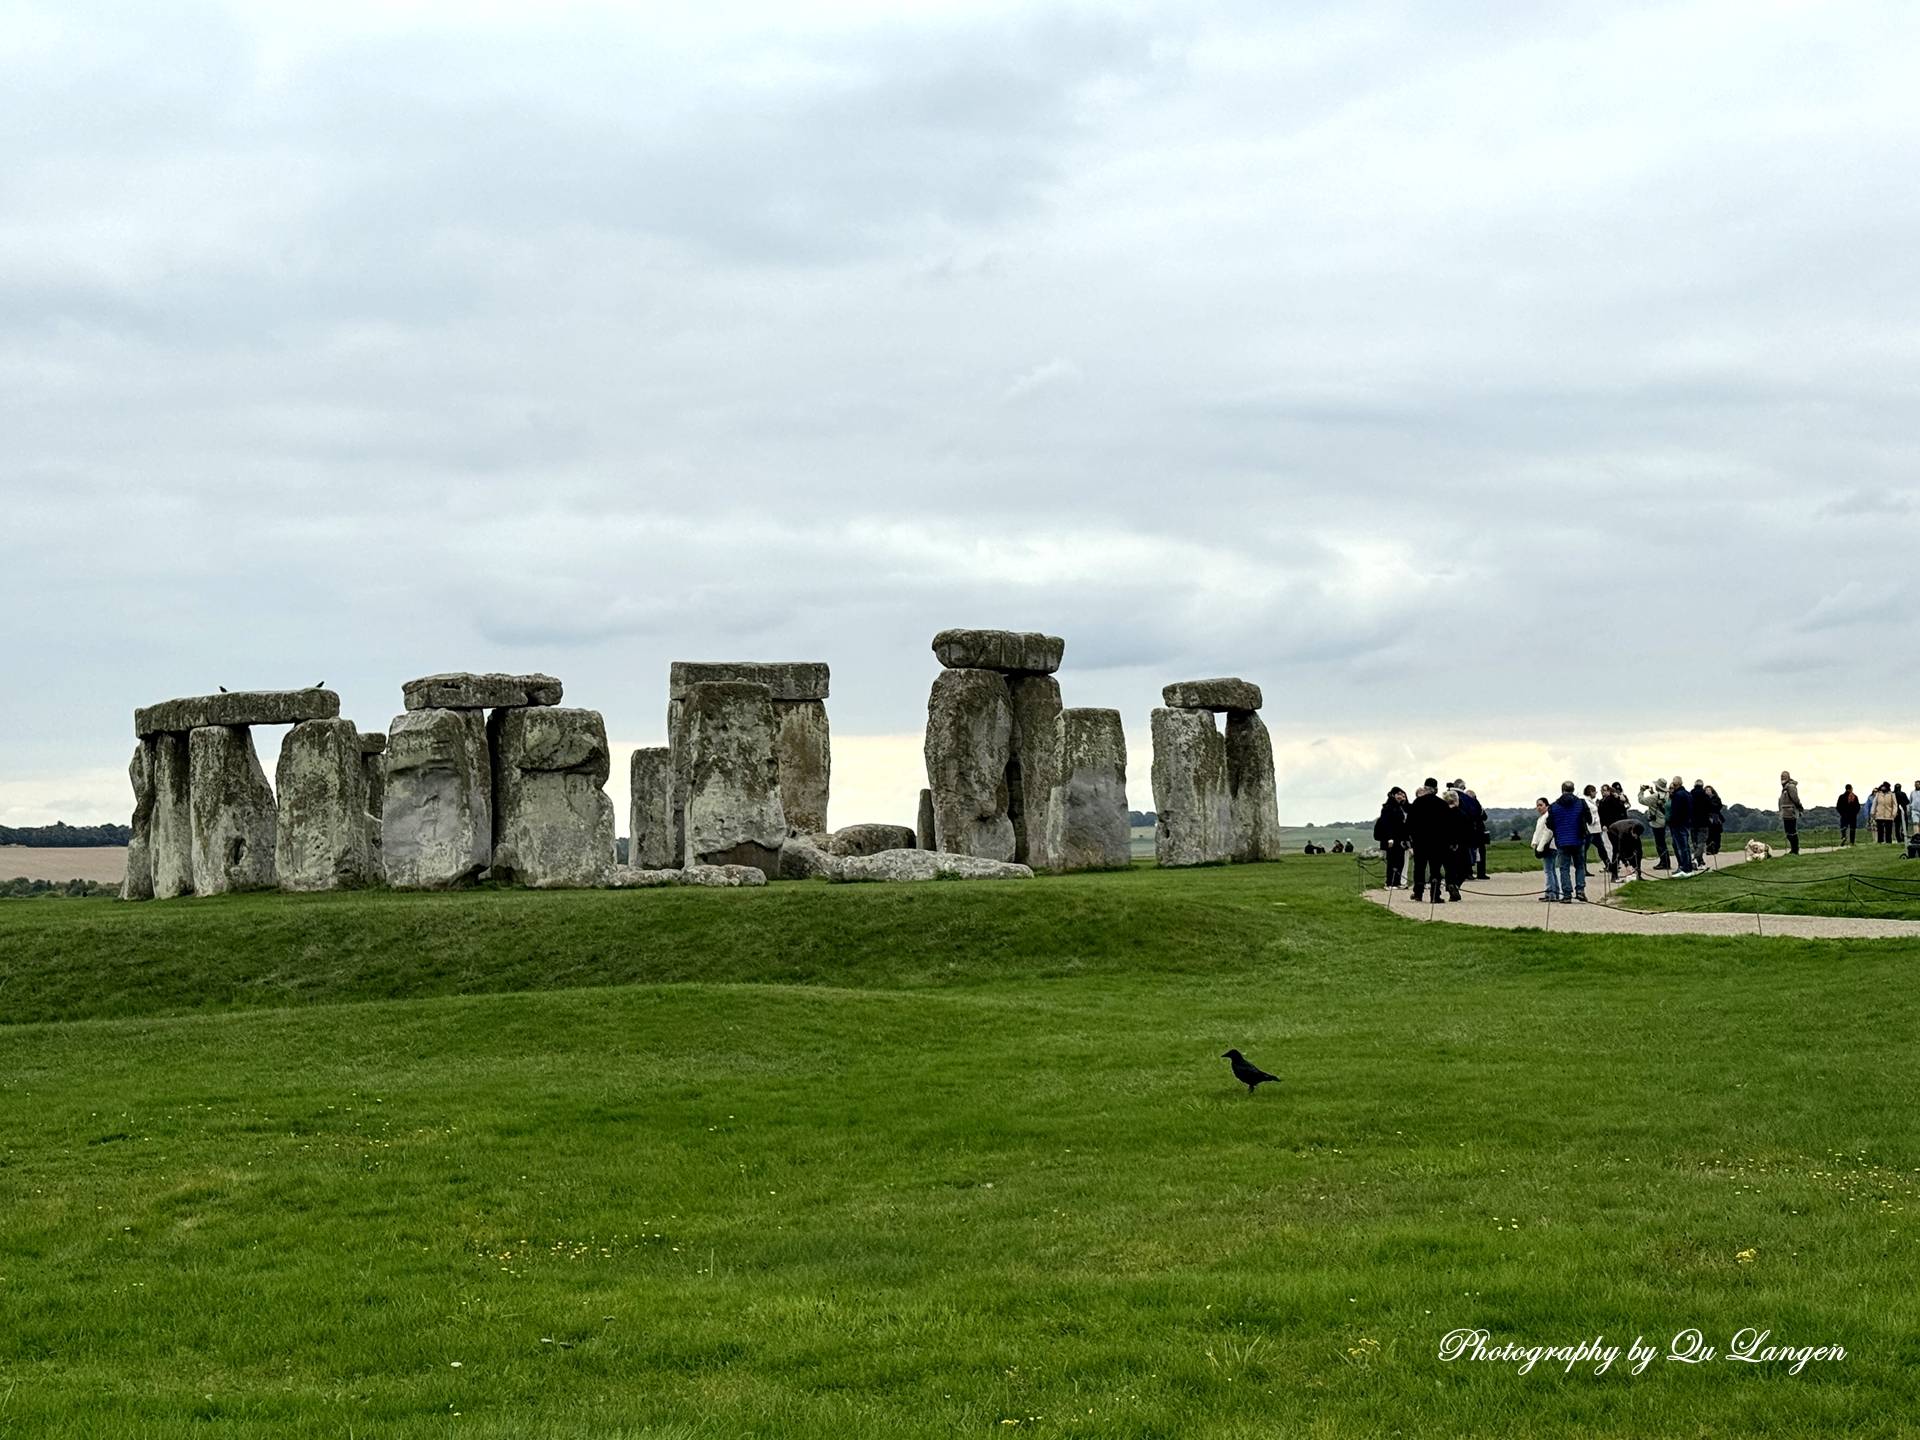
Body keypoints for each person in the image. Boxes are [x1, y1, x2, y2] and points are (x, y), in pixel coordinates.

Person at [1406, 779, 1449, 903]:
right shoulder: (1442, 804)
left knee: (1419, 868)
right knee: (1435, 869)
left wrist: (1411, 838)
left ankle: (1418, 893)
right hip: (1437, 842)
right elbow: (1447, 825)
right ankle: (1435, 895)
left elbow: (1409, 823)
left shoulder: (1417, 803)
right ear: (1436, 789)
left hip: (1420, 842)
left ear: (1425, 788)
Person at [1547, 781, 1590, 902]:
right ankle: (1580, 890)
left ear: (1562, 790)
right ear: (1573, 789)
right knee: (1580, 866)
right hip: (1578, 839)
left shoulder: (1554, 806)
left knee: (1564, 868)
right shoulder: (1581, 803)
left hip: (1562, 840)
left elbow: (1549, 823)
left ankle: (1567, 894)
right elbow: (1589, 819)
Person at [1639, 778, 1671, 869]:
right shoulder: (1666, 794)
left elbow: (1642, 801)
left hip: (1656, 822)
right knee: (1663, 842)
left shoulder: (1655, 796)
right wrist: (1652, 793)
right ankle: (1666, 861)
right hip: (1664, 820)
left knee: (1659, 843)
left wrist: (1641, 791)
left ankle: (1664, 863)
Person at [1531, 797, 1559, 902]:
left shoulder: (1548, 817)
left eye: (1541, 805)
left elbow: (1547, 833)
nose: (1538, 807)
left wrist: (1540, 847)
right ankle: (1554, 892)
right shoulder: (1542, 818)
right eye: (1537, 805)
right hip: (1547, 846)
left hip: (1548, 846)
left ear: (1547, 806)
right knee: (1551, 870)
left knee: (1548, 871)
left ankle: (1550, 893)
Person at [1667, 776, 1696, 875]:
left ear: (1676, 784)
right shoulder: (1687, 794)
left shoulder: (1678, 795)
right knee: (1686, 846)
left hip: (1678, 824)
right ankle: (1688, 866)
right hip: (1686, 823)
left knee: (1681, 846)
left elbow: (1676, 811)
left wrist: (1671, 821)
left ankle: (1685, 868)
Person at [1607, 816, 1646, 881]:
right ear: (1632, 831)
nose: (1636, 837)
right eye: (1635, 835)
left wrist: (1637, 867)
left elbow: (1639, 850)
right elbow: (1620, 850)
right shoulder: (1623, 833)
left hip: (1627, 830)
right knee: (1616, 852)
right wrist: (1626, 865)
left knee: (1637, 851)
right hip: (1613, 831)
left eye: (1637, 836)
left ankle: (1638, 875)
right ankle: (1614, 876)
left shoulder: (1639, 828)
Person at [1778, 771, 1806, 855]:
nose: (1782, 778)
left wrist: (1800, 808)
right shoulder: (1785, 787)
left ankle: (1795, 849)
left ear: (1788, 777)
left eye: (1784, 776)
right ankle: (1793, 849)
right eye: (1781, 777)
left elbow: (1795, 799)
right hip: (1785, 812)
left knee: (1792, 831)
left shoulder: (1791, 787)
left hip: (1791, 812)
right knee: (1788, 832)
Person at [1688, 779, 1711, 869]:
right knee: (1701, 842)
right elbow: (1710, 808)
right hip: (1703, 822)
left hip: (1692, 822)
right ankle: (1695, 858)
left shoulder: (1690, 795)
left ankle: (1700, 862)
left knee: (1695, 842)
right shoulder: (1705, 796)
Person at [1702, 784, 1724, 857]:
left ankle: (1716, 848)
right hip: (1707, 818)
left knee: (1716, 835)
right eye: (1706, 790)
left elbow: (1718, 806)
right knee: (1708, 835)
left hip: (1715, 818)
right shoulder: (1704, 799)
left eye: (1709, 790)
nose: (1708, 791)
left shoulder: (1716, 799)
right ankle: (1709, 849)